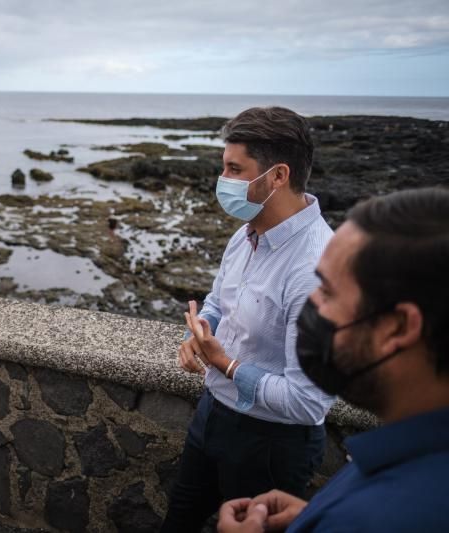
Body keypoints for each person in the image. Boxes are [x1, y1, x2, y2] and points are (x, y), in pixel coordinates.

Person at [217, 187, 449, 532]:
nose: (312, 307)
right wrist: (312, 515)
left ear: (396, 327)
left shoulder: (380, 518)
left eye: (326, 291)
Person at [161, 107, 335, 532]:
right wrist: (197, 335)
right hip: (211, 415)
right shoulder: (245, 234)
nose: (223, 180)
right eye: (224, 167)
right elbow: (219, 303)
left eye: (235, 169)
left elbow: (308, 402)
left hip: (273, 444)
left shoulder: (316, 268)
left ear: (277, 176)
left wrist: (226, 364)